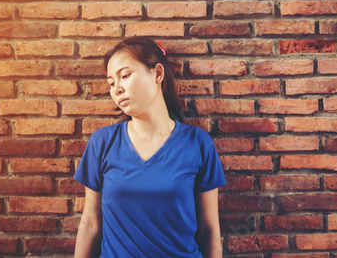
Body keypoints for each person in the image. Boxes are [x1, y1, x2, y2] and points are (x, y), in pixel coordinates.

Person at [73, 38, 226, 258]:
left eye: (125, 76)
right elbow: (90, 222)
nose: (117, 89)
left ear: (157, 74)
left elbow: (209, 230)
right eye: (110, 82)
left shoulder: (198, 143)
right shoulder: (102, 143)